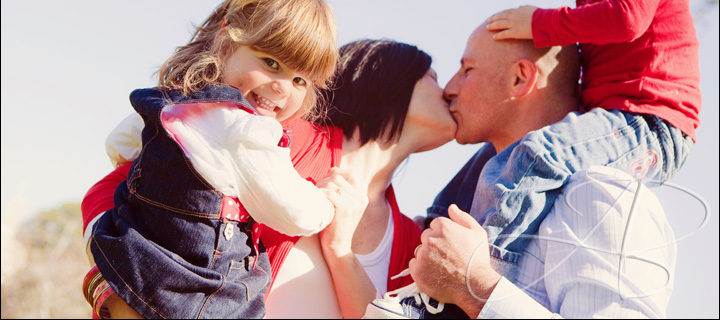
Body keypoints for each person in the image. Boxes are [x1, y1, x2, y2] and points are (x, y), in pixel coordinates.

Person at [82, 38, 457, 318]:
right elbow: (110, 190)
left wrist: (340, 250)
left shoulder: (412, 239)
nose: (450, 90)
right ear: (386, 79)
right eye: (433, 77)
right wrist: (113, 290)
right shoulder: (281, 137)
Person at [454, 0, 701, 281]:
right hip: (614, 120)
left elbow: (627, 18)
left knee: (535, 155)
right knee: (489, 162)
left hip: (650, 125)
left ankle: (475, 277)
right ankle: (427, 245)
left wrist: (540, 22)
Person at [366, 21, 678, 318]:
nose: (449, 88)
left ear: (520, 78)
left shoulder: (599, 195)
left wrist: (476, 287)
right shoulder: (477, 197)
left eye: (467, 69)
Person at [83, 0, 339, 319]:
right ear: (225, 42)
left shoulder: (172, 100)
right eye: (271, 63)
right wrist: (326, 205)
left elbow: (118, 143)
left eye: (299, 80)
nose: (281, 88)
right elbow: (291, 210)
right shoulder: (245, 129)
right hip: (188, 298)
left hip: (131, 267)